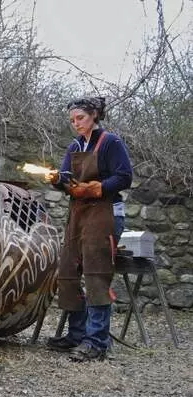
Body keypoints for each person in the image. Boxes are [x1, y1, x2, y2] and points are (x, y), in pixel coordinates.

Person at [45, 97, 133, 362]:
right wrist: (58, 180)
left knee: (96, 274)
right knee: (68, 273)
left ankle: (96, 342)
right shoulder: (74, 146)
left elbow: (125, 176)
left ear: (94, 115)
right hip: (78, 215)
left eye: (80, 118)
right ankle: (77, 334)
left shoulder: (110, 142)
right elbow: (66, 179)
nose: (76, 124)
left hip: (105, 214)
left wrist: (98, 187)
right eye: (72, 120)